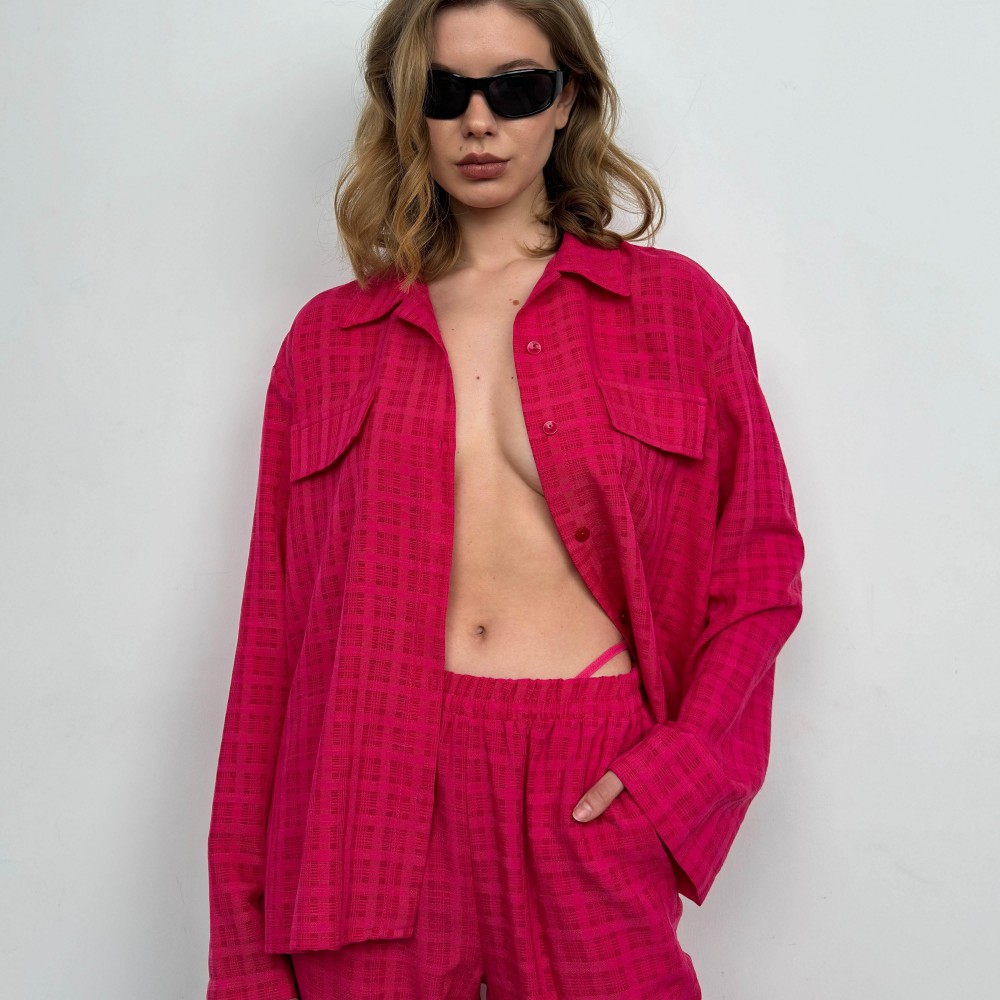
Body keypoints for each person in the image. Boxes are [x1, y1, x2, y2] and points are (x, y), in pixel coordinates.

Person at [206, 0, 805, 998]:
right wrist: (243, 952)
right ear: (407, 107)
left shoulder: (675, 313)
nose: (478, 123)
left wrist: (674, 778)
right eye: (444, 93)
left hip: (585, 767)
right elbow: (272, 643)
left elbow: (757, 572)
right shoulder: (328, 342)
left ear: (567, 99)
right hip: (369, 775)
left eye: (516, 89)